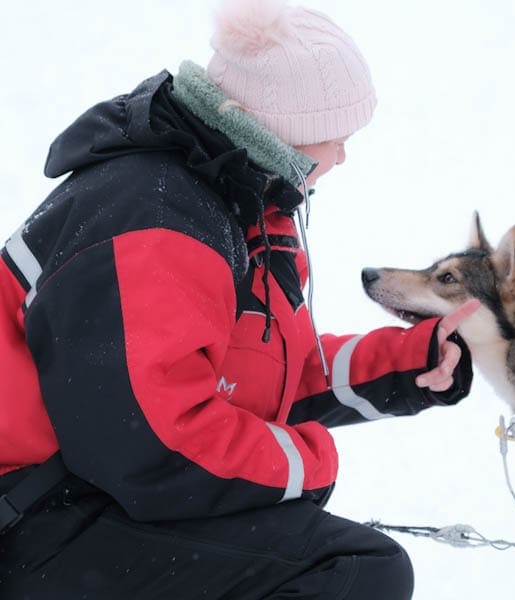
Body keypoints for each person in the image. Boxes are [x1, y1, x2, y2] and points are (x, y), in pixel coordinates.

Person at [0, 0, 479, 597]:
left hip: (84, 492)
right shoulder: (154, 219)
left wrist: (409, 363)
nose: (342, 157)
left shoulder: (236, 205)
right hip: (32, 514)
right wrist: (309, 463)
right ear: (279, 132)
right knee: (354, 570)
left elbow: (257, 381)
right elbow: (149, 445)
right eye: (334, 138)